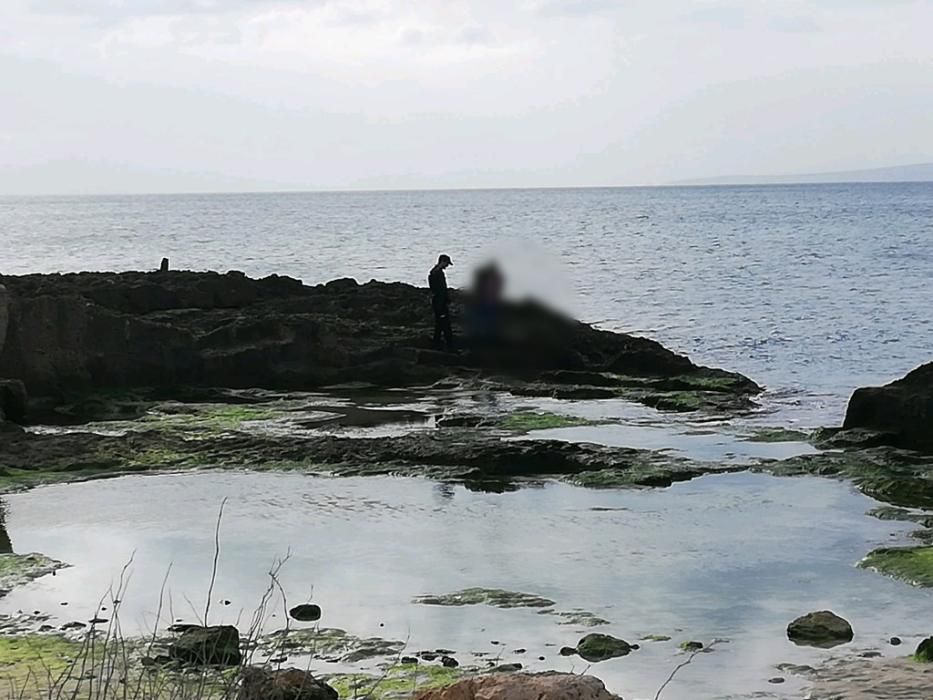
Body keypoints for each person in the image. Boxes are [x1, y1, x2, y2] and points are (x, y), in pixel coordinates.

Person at [428, 254, 454, 350]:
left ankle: (436, 343)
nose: (447, 266)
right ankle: (450, 346)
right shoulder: (437, 273)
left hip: (439, 301)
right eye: (446, 263)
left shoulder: (434, 272)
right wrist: (444, 300)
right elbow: (440, 290)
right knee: (445, 324)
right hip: (440, 302)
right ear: (442, 262)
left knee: (439, 324)